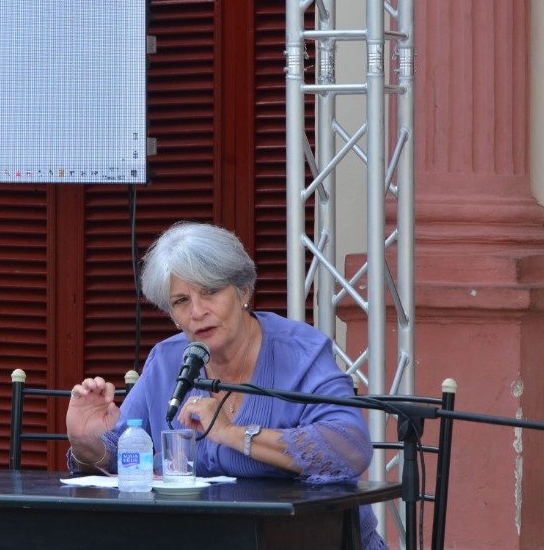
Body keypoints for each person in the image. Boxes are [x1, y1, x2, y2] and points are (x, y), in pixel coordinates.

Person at [66, 221, 388, 550]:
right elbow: (121, 455)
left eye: (210, 291)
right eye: (181, 301)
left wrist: (231, 433)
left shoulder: (300, 351)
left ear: (243, 292)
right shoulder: (166, 360)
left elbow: (349, 448)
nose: (197, 312)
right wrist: (87, 443)